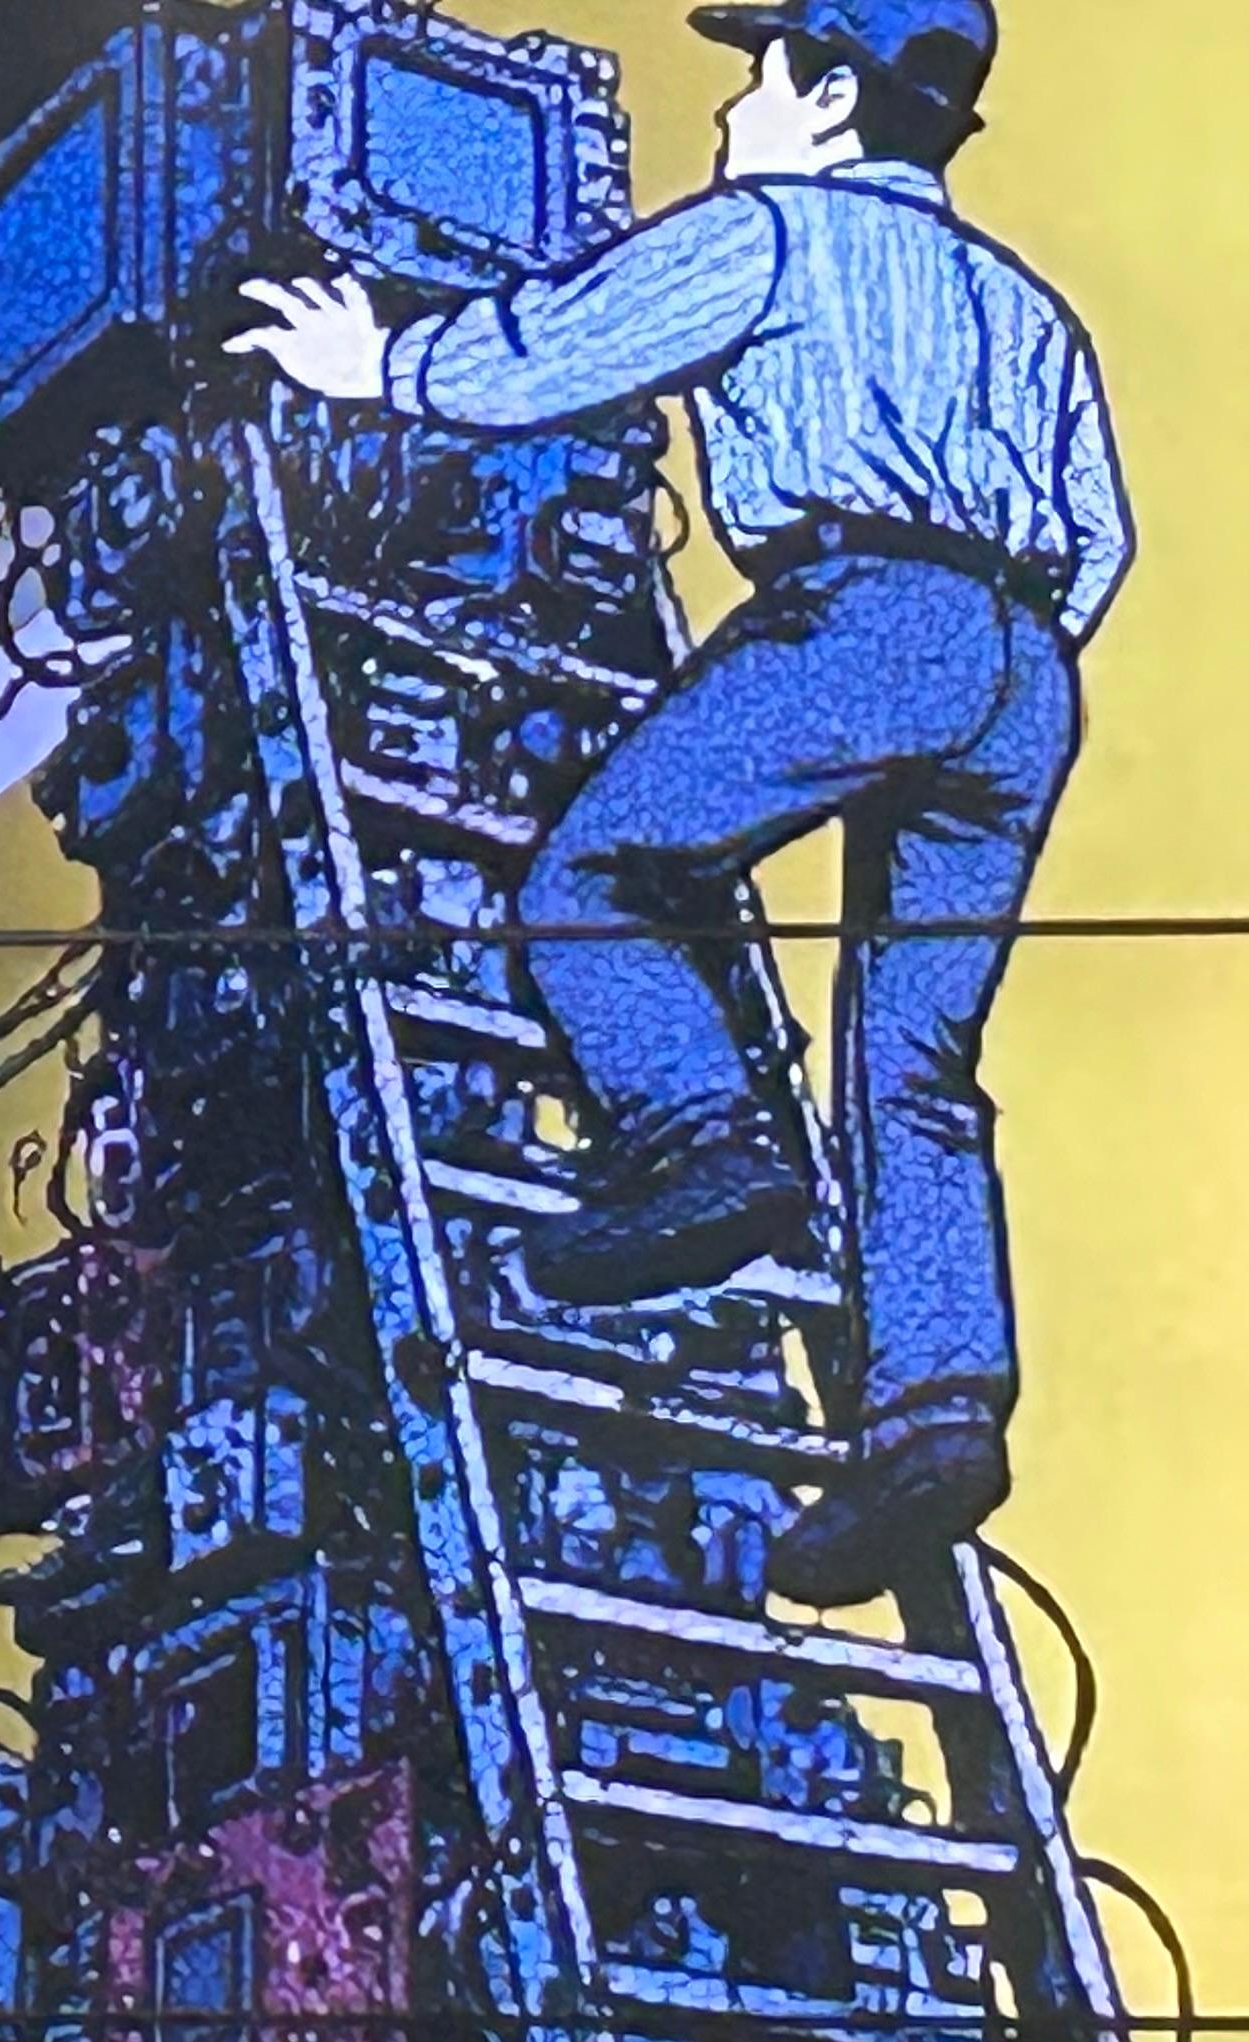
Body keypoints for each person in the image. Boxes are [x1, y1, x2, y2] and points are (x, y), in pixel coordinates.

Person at [228, 0, 1127, 1606]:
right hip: (1025, 670)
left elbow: (567, 345)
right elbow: (1101, 540)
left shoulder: (769, 230)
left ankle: (706, 1143)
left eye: (754, 79)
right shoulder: (1029, 307)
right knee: (916, 1059)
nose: (728, 116)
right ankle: (935, 1413)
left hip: (868, 613)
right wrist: (983, 649)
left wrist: (377, 366)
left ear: (828, 96)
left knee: (599, 875)